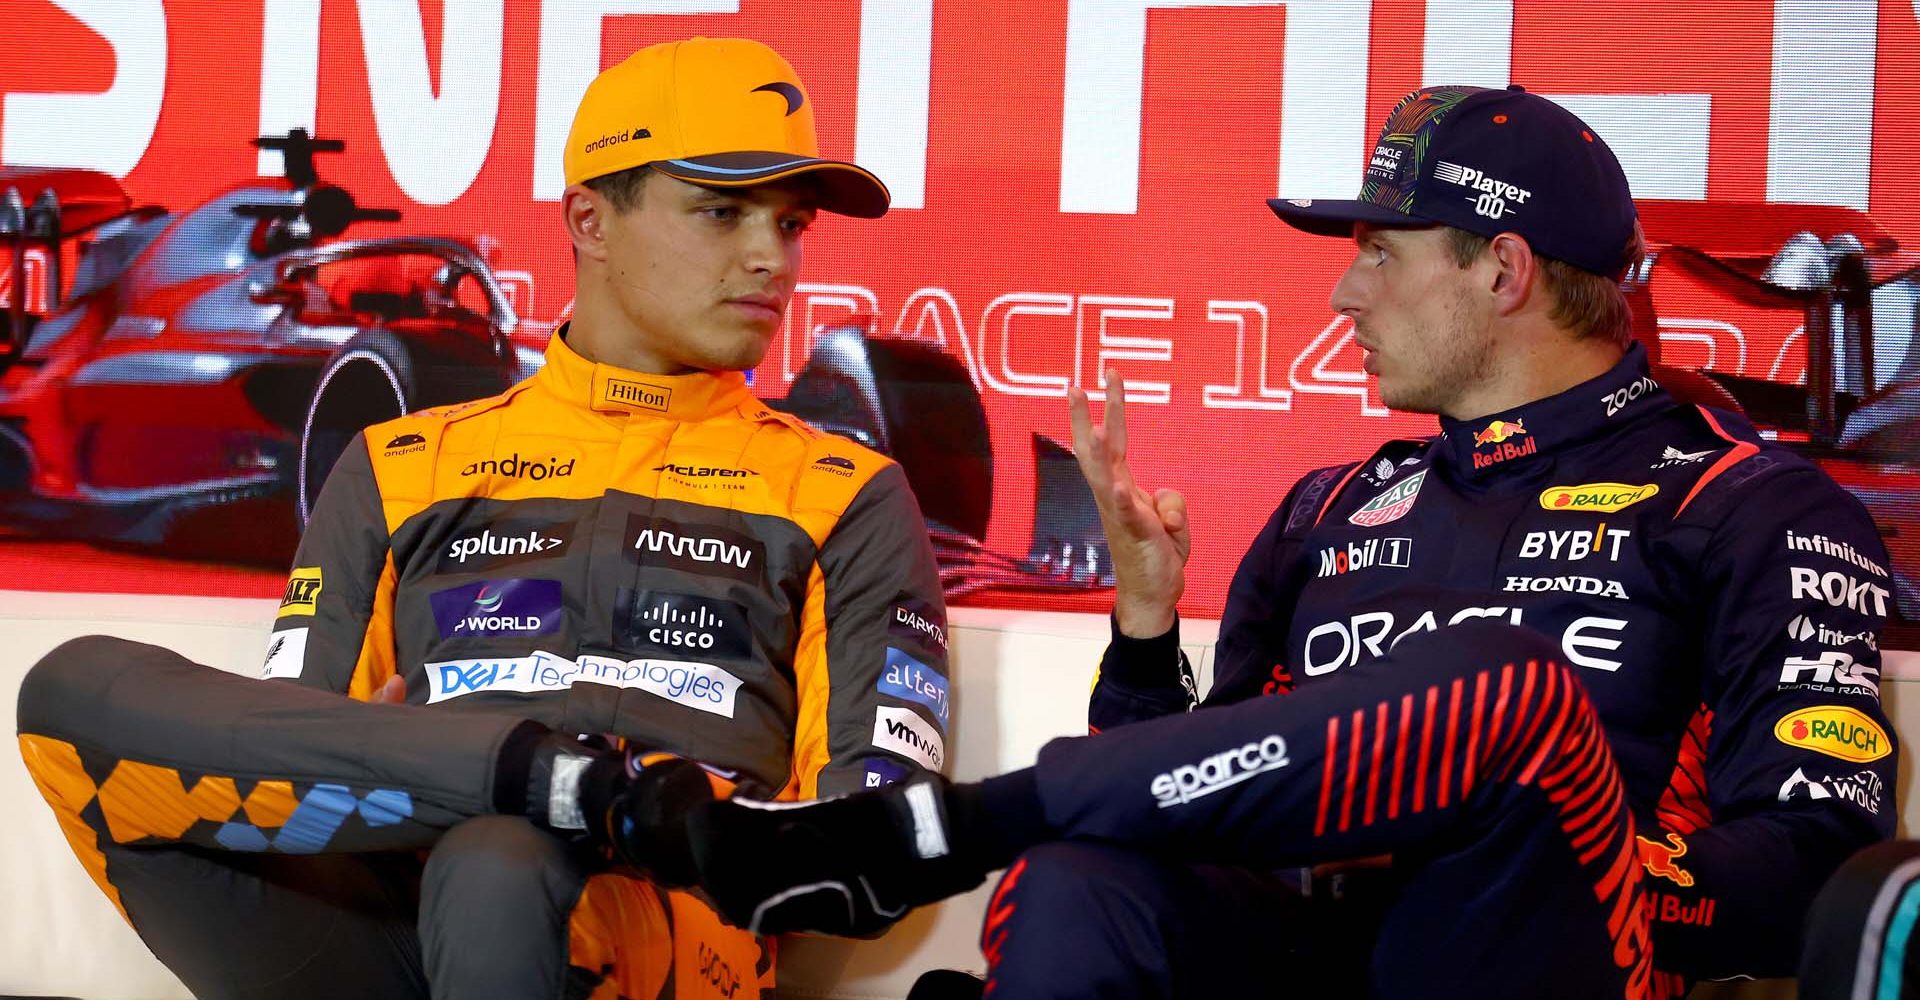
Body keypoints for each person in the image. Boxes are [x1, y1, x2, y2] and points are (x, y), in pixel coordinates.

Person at [641, 85, 1898, 999]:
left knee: (1503, 692)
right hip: (1308, 954)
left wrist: (1581, 850)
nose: (1344, 295)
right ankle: (969, 831)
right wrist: (1143, 633)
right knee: (1083, 870)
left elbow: (1810, 873)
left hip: (1551, 948)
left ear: (1503, 269)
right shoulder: (1329, 509)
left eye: (1375, 253)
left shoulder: (1752, 507)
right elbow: (1174, 792)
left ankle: (932, 827)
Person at [17, 36, 950, 1000]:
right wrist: (470, 775)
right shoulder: (398, 465)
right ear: (590, 218)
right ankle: (548, 779)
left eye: (791, 225)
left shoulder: (847, 492)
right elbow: (286, 763)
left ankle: (548, 795)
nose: (771, 259)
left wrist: (675, 814)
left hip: (658, 931)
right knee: (67, 687)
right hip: (377, 923)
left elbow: (879, 853)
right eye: (722, 212)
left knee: (499, 861)